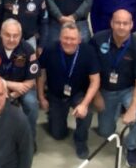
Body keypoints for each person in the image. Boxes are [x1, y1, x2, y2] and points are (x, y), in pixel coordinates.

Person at [90, 8, 136, 168]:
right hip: (105, 90)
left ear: (131, 25)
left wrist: (132, 108)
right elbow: (90, 71)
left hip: (128, 89)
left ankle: (131, 147)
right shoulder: (98, 40)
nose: (121, 27)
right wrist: (96, 95)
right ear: (111, 23)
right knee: (105, 132)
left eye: (125, 23)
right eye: (118, 22)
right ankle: (109, 120)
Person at [37, 21, 101, 159]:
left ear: (79, 39)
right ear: (60, 37)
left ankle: (81, 140)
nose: (69, 42)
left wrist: (84, 104)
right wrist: (41, 97)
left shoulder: (88, 52)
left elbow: (95, 81)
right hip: (55, 94)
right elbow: (41, 74)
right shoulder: (50, 49)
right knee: (58, 135)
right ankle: (54, 117)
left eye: (72, 39)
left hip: (78, 93)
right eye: (65, 38)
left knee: (86, 113)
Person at [0, 19, 39, 146]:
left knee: (32, 103)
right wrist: (9, 85)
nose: (11, 39)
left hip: (22, 90)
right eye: (7, 35)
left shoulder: (28, 50)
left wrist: (13, 95)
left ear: (21, 35)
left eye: (15, 35)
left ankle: (29, 139)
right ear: (1, 33)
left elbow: (31, 80)